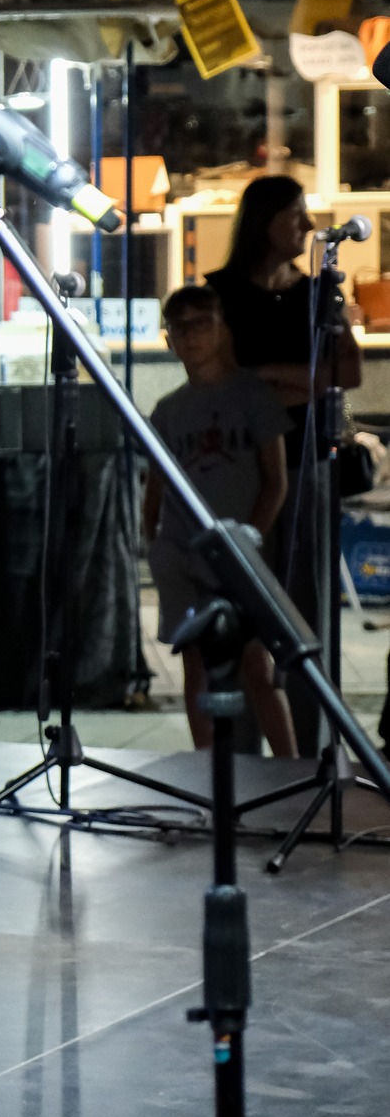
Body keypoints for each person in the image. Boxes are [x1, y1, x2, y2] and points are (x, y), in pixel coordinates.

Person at [207, 175, 362, 753]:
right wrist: (297, 383)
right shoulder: (222, 292)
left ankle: (310, 749)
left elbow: (345, 375)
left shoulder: (317, 293)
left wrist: (271, 376)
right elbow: (224, 380)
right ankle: (242, 751)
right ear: (264, 221)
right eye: (295, 214)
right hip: (241, 465)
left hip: (305, 460)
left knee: (306, 607)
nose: (306, 225)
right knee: (245, 605)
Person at [143, 284, 296, 756]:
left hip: (236, 549)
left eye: (201, 324)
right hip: (181, 547)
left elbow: (275, 479)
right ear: (169, 338)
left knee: (255, 661)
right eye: (180, 327)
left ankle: (289, 764)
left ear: (221, 329)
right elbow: (154, 488)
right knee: (195, 661)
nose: (191, 336)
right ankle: (206, 766)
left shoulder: (252, 396)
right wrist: (153, 541)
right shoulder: (169, 410)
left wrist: (251, 536)